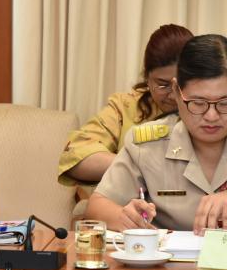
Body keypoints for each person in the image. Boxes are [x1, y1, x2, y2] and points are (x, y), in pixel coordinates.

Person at [87, 34, 227, 235]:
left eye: (225, 103)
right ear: (177, 92)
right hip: (169, 268)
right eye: (198, 103)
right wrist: (126, 217)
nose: (212, 116)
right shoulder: (146, 144)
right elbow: (97, 206)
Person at [57, 24, 193, 189]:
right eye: (163, 85)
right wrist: (140, 165)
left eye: (182, 84)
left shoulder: (209, 109)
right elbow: (76, 157)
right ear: (147, 78)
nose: (173, 95)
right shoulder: (126, 107)